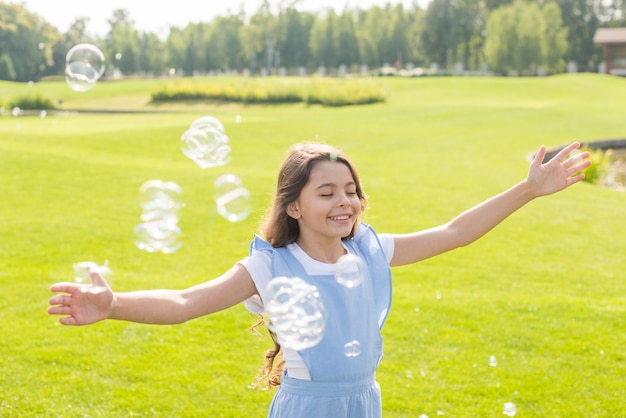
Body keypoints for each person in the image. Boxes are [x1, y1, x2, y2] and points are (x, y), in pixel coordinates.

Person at [48, 141, 591, 418]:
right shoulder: (270, 265)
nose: (345, 202)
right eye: (326, 192)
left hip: (363, 401)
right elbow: (188, 300)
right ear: (293, 207)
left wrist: (528, 189)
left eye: (350, 190)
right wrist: (113, 303)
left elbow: (454, 232)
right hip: (309, 407)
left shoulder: (372, 250)